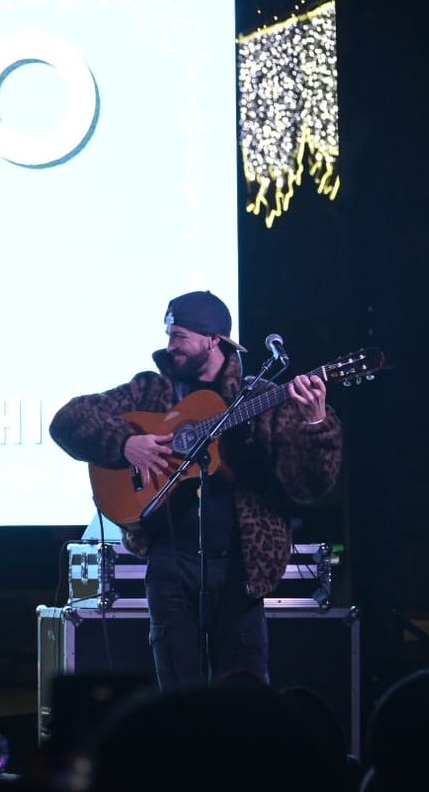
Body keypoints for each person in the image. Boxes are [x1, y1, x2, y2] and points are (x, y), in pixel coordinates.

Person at [49, 290, 342, 687]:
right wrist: (126, 444)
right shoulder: (152, 391)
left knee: (243, 690)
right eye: (169, 334)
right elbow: (68, 420)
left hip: (241, 567)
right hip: (170, 563)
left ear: (212, 340)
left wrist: (315, 423)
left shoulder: (262, 400)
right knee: (178, 695)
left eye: (179, 336)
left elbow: (310, 485)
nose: (170, 345)